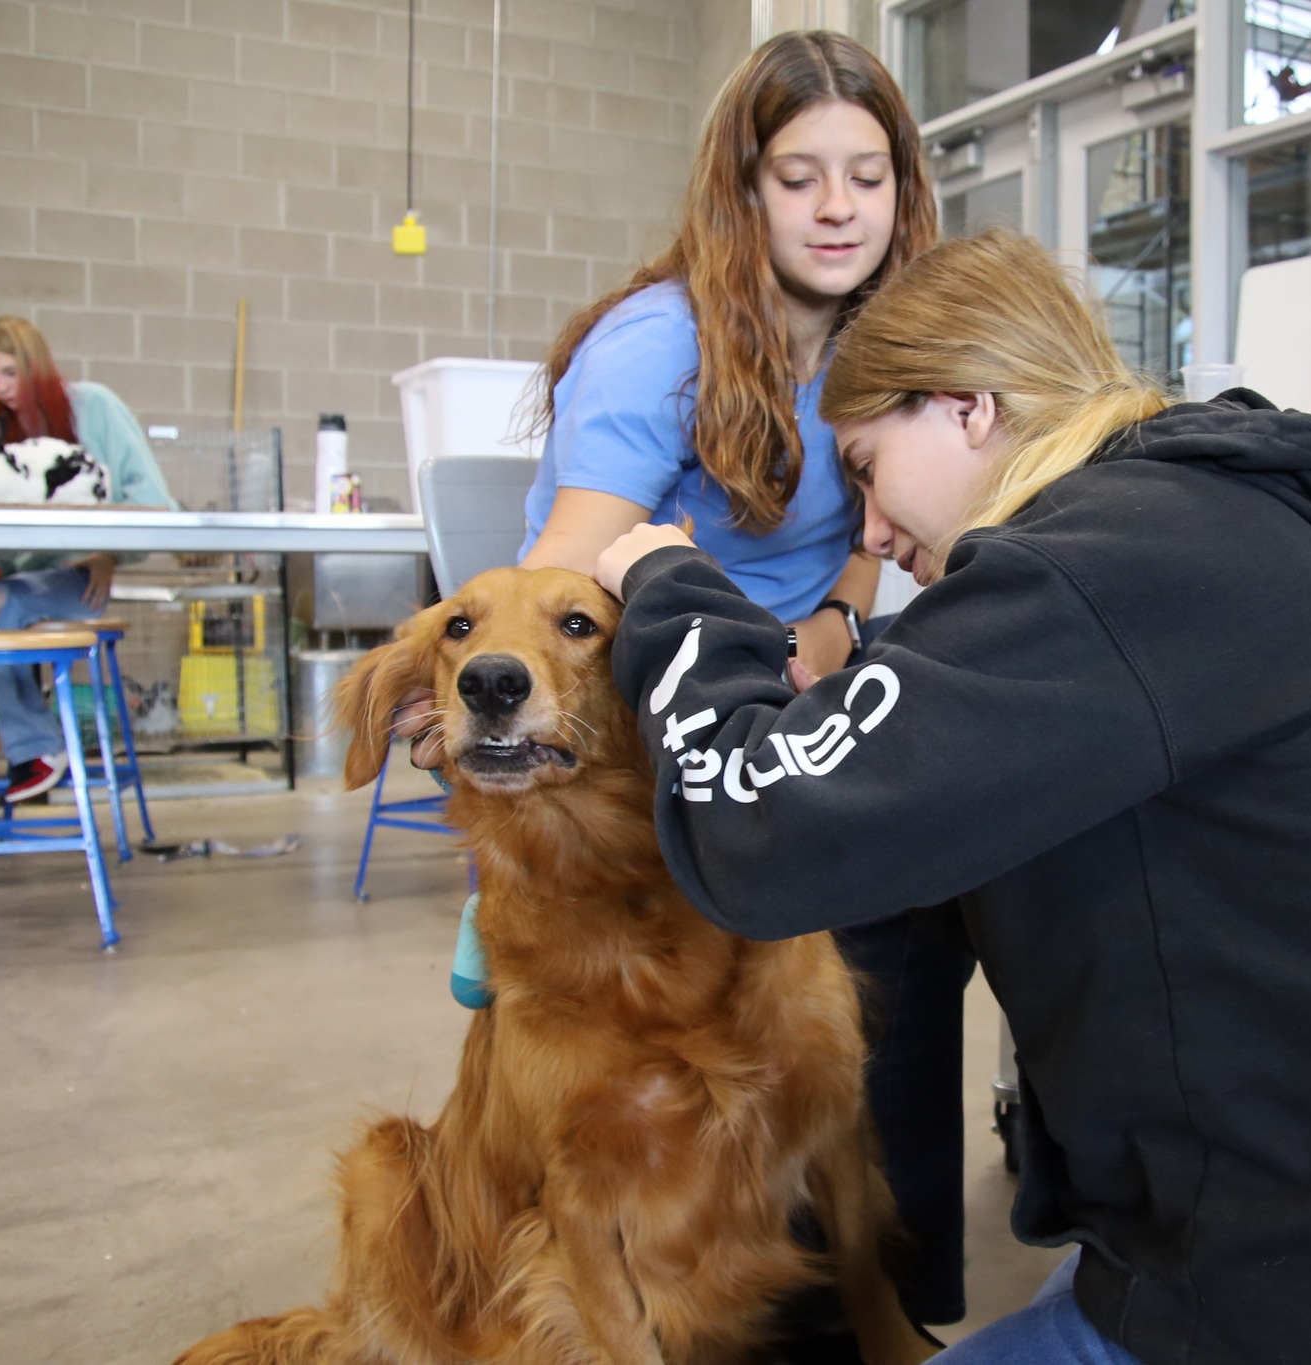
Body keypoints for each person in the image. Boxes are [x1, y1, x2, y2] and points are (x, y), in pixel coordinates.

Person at [593, 230, 1311, 1364]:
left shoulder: (1095, 572)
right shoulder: (1193, 530)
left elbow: (754, 834)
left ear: (967, 407)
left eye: (865, 468)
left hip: (1304, 1305)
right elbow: (894, 852)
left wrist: (672, 597)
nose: (867, 534)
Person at [408, 31, 975, 1329]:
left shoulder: (886, 332)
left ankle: (894, 1297)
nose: (839, 209)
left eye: (869, 176)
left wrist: (831, 625)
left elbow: (862, 529)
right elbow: (556, 583)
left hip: (800, 673)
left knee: (931, 901)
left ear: (904, 191)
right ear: (743, 188)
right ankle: (774, 1311)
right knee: (836, 926)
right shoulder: (653, 346)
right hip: (656, 689)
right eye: (799, 176)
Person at [0, 317, 175, 846]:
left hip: (72, 587)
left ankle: (39, 746)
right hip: (8, 593)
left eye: (9, 373)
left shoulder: (94, 408)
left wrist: (107, 549)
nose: (0, 388)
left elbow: (153, 501)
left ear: (35, 366)